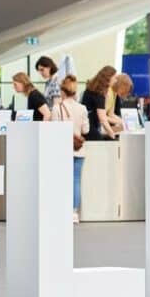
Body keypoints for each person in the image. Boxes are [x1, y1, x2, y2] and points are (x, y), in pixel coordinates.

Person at [51, 75, 89, 224]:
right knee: (76, 181)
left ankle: (61, 210)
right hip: (78, 149)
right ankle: (74, 213)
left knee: (62, 180)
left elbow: (54, 130)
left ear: (63, 91)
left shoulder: (56, 108)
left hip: (62, 150)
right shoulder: (82, 108)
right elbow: (86, 129)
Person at [82, 66, 118, 140]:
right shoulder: (99, 93)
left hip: (85, 126)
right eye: (114, 77)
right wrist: (113, 135)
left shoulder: (91, 89)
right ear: (108, 78)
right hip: (90, 128)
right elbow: (103, 119)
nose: (116, 80)